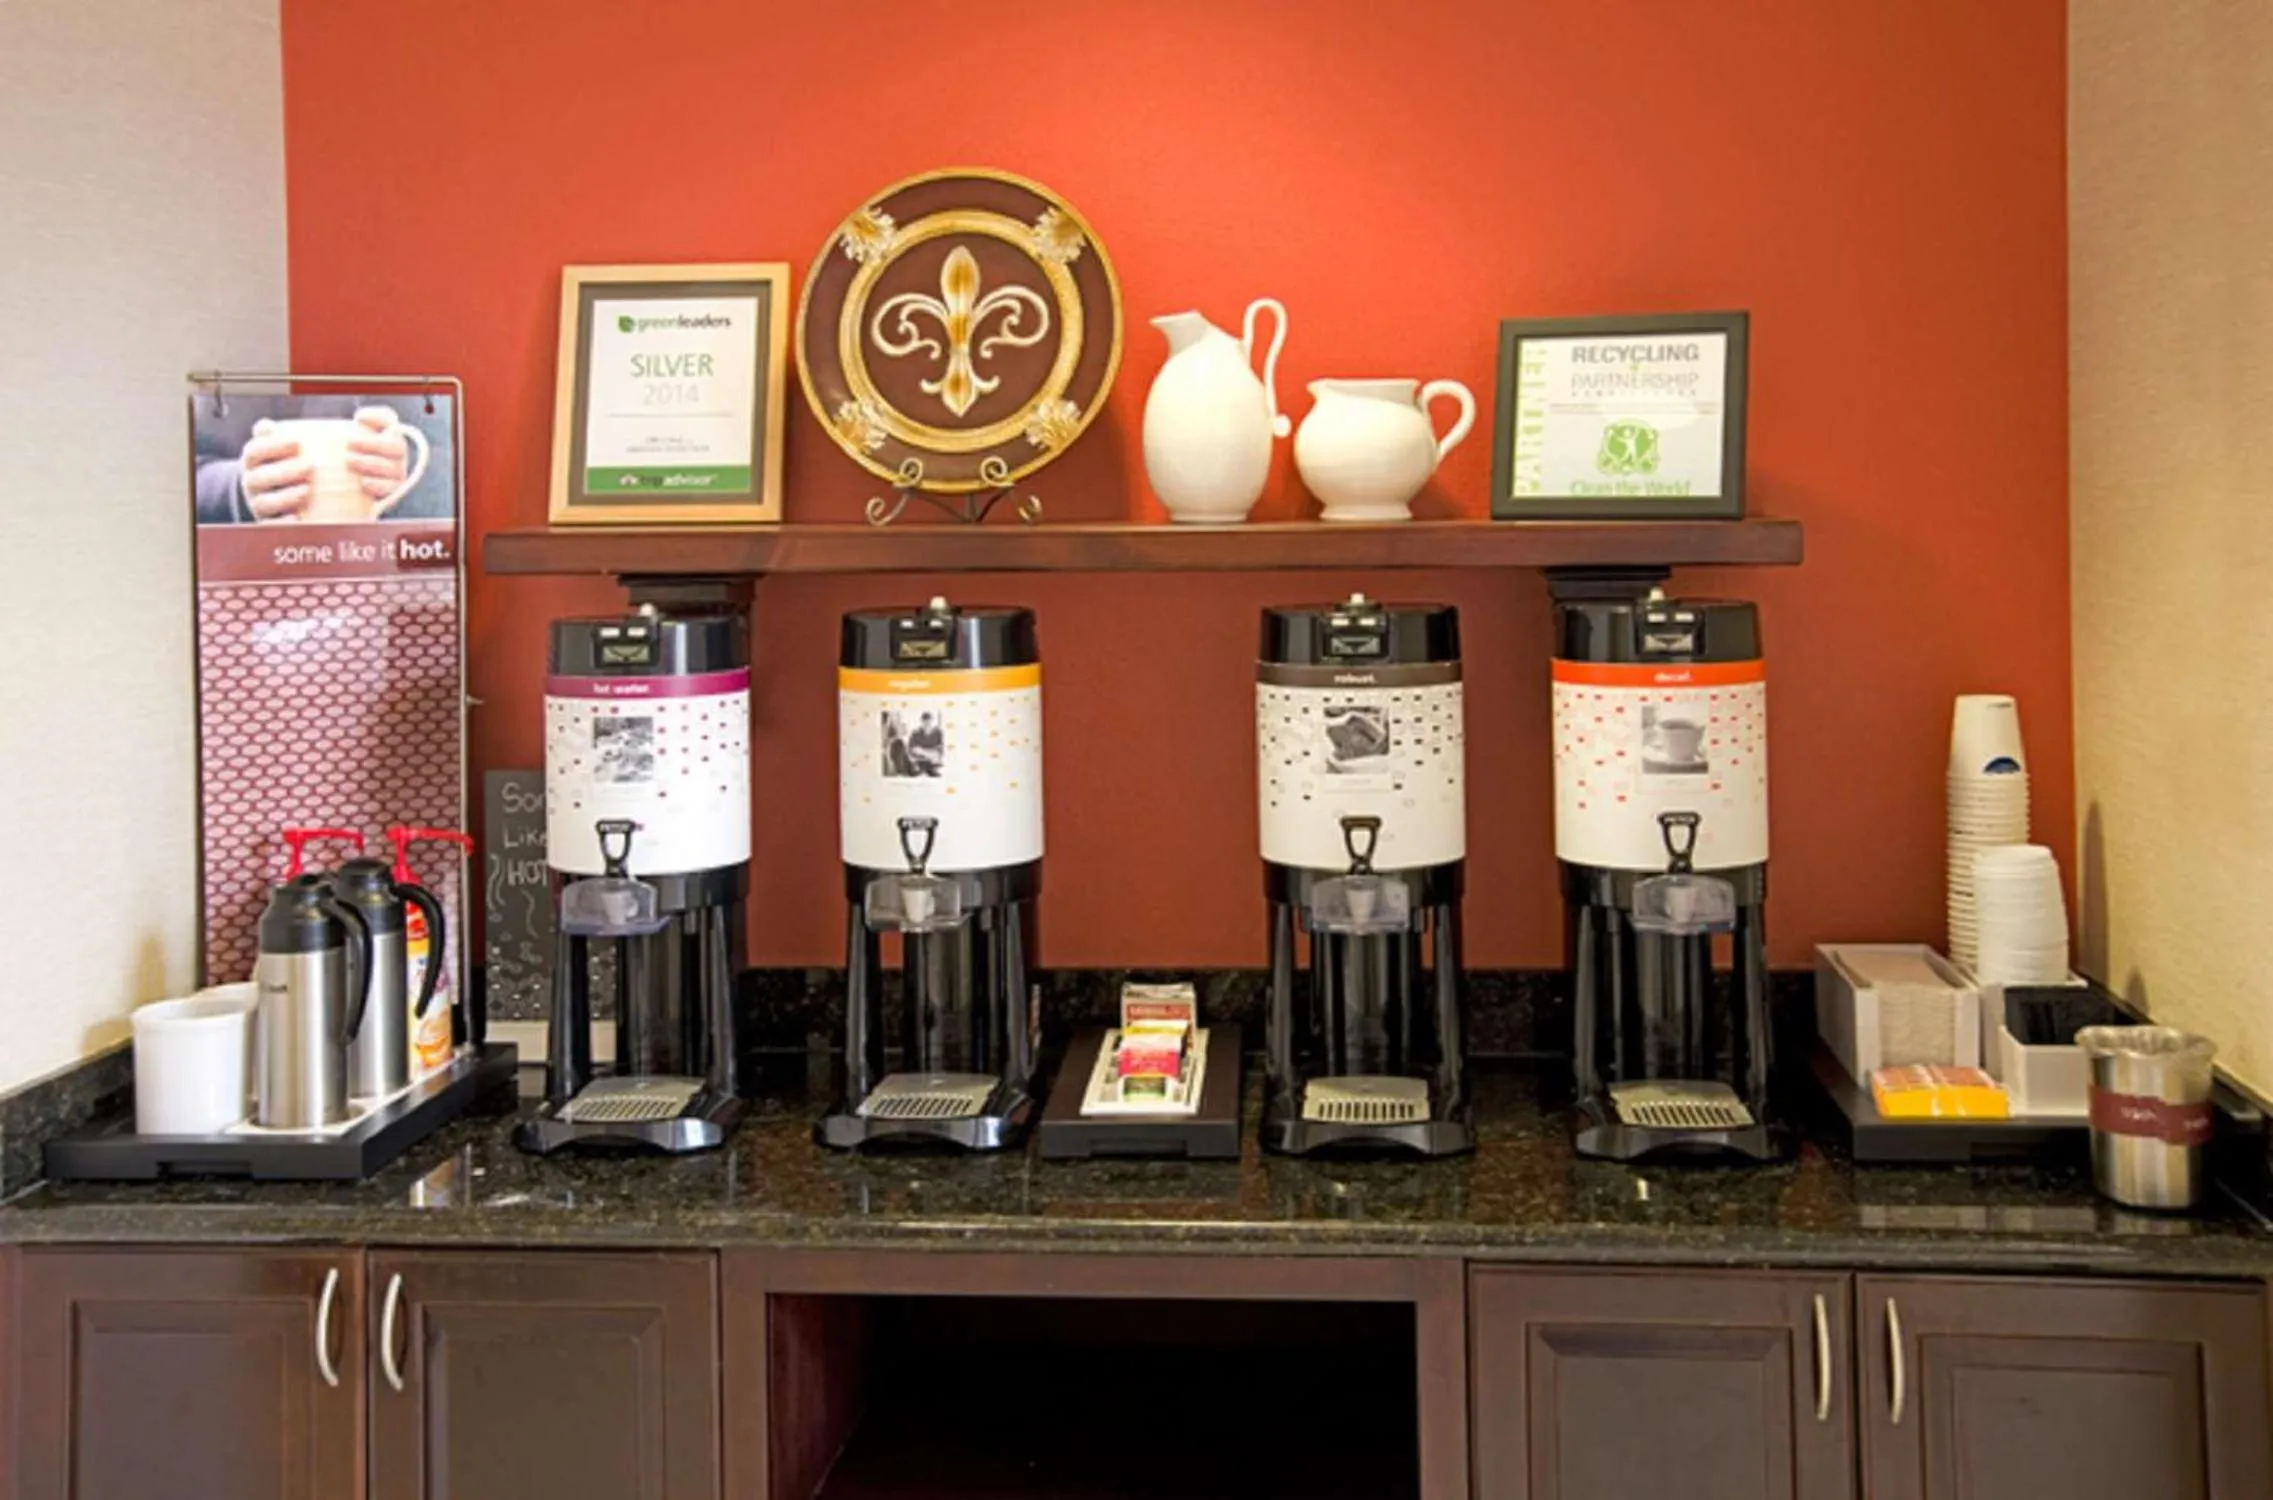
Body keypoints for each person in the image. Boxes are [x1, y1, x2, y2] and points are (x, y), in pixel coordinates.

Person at [193, 397, 422, 524]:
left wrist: (398, 467)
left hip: (374, 564)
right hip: (238, 575)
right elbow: (170, 477)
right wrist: (240, 489)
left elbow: (445, 450)